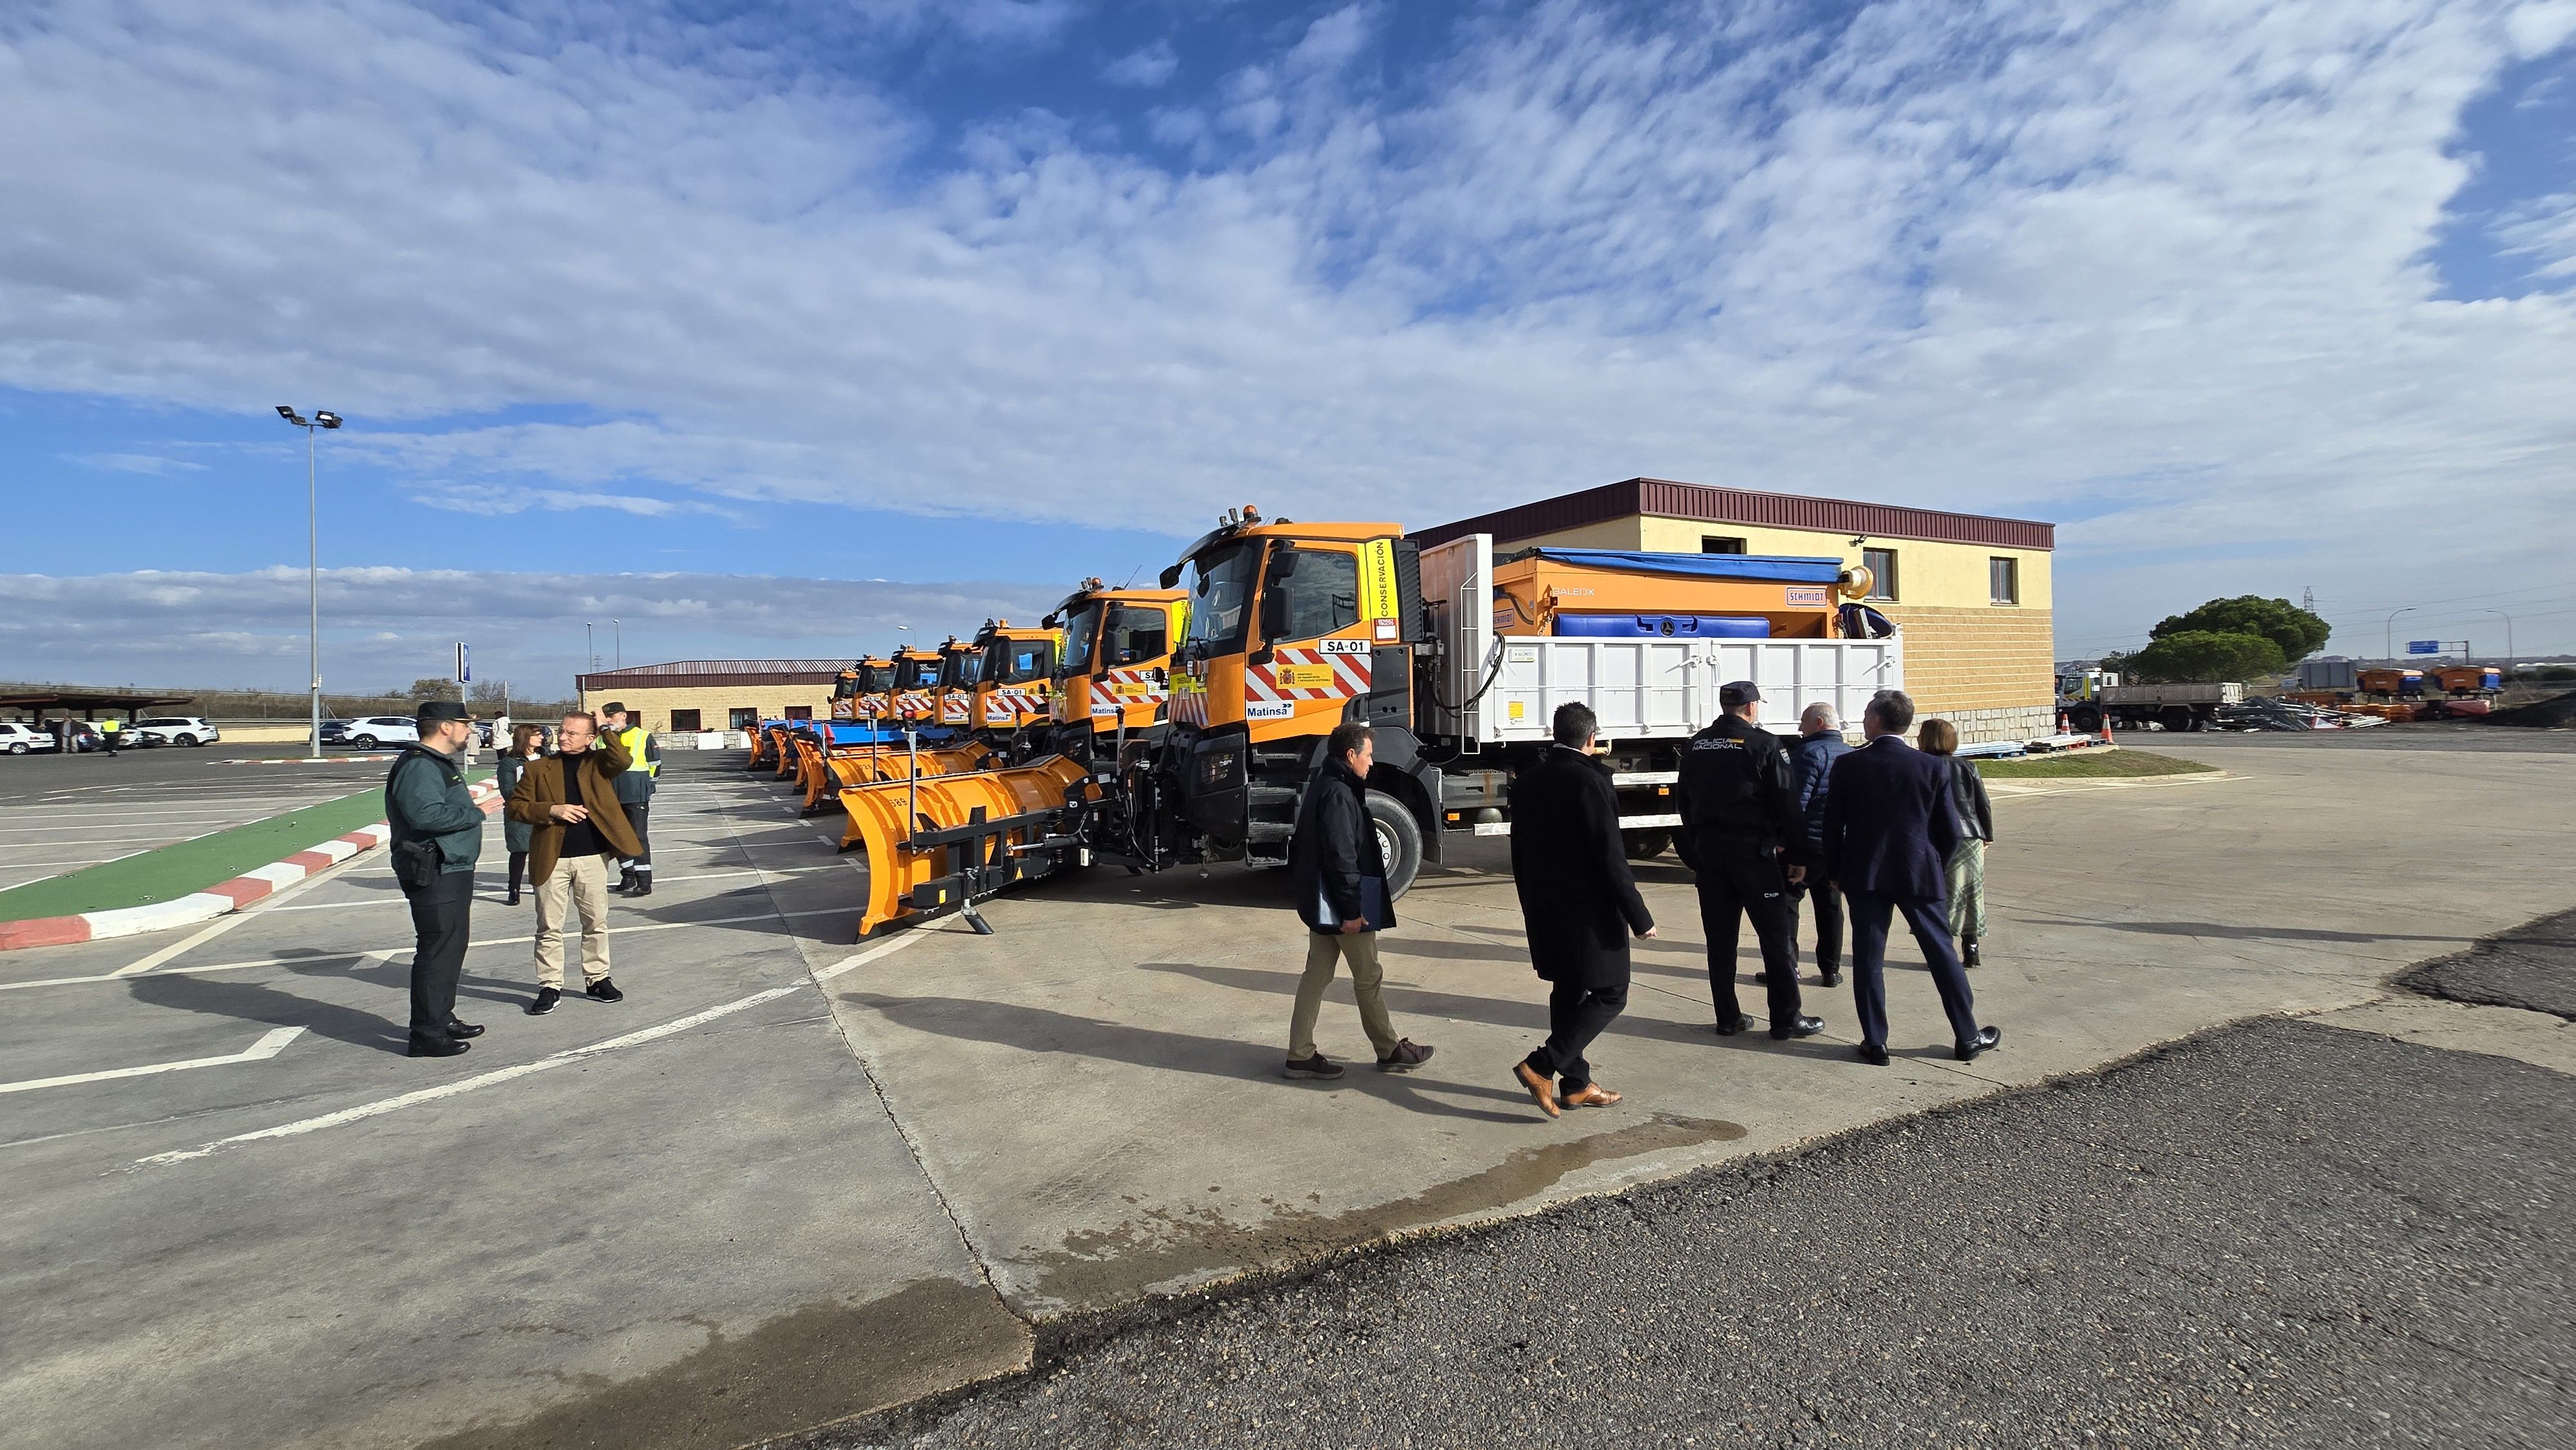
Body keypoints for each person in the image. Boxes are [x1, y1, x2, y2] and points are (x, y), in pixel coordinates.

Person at [1822, 690, 2002, 1066]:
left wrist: (1836, 872)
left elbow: (1832, 826)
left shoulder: (1850, 765)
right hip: (1919, 872)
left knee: (1869, 958)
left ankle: (1876, 1041)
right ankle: (1967, 1036)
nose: (1864, 718)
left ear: (1876, 721)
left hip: (1865, 874)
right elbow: (1949, 831)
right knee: (1941, 953)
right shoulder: (1932, 767)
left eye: (1867, 712)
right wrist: (1934, 863)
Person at [1508, 702, 1656, 1118]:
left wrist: (1530, 905)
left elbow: (1519, 854)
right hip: (1589, 914)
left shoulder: (1528, 781)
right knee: (1612, 992)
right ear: (1592, 738)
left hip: (1544, 907)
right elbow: (1611, 857)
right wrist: (1639, 917)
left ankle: (1576, 1085)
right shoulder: (1589, 782)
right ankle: (1541, 1065)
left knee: (1569, 991)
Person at [1282, 722, 1434, 1080]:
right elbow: (1341, 857)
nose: (1372, 762)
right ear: (1351, 755)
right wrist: (1351, 912)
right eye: (1368, 754)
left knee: (1315, 978)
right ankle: (1389, 1050)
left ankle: (1299, 1054)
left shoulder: (1327, 785)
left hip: (1323, 906)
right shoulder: (1339, 793)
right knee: (1369, 978)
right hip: (1341, 908)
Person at [1674, 681, 1824, 1042]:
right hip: (1753, 855)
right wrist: (1797, 855)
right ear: (1752, 707)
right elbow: (1786, 804)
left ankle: (1728, 1017)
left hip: (1711, 855)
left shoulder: (1697, 744)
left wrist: (1699, 846)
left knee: (1720, 941)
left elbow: (1683, 801)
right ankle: (1786, 1018)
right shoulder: (1765, 744)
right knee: (1775, 938)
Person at [504, 711, 639, 1015]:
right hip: (551, 858)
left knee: (595, 922)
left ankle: (597, 980)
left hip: (592, 857)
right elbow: (515, 807)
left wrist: (606, 728)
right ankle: (550, 986)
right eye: (561, 732)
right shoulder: (538, 768)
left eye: (572, 733)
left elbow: (622, 759)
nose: (562, 737)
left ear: (590, 739)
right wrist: (552, 809)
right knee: (549, 926)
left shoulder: (599, 763)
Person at [384, 700, 487, 1058]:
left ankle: (441, 1017)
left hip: (451, 867)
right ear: (445, 727)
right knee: (437, 949)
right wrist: (473, 813)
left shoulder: (436, 764)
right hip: (434, 868)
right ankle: (426, 1034)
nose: (470, 730)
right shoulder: (419, 766)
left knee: (451, 946)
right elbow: (424, 814)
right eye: (465, 723)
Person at [1916, 719, 1996, 967]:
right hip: (1970, 837)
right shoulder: (1967, 767)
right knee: (1971, 894)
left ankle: (1941, 951)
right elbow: (1982, 803)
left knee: (1940, 894)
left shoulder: (1922, 766)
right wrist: (1987, 834)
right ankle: (1971, 948)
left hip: (1935, 839)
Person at [1788, 702, 1852, 987]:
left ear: (1818, 722)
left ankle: (1789, 967)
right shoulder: (1852, 755)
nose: (1800, 729)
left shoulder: (1808, 754)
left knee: (1789, 905)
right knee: (1830, 908)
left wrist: (1786, 844)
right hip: (1837, 847)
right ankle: (1831, 970)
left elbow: (1796, 806)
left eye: (1803, 723)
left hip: (1809, 846)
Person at [600, 702, 661, 897]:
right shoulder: (603, 739)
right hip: (611, 795)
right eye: (606, 717)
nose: (609, 720)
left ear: (624, 716)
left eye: (613, 716)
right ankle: (628, 876)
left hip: (636, 795)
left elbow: (655, 765)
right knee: (617, 837)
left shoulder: (642, 736)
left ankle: (644, 881)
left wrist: (649, 787)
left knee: (638, 837)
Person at [497, 722, 548, 906]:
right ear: (525, 737)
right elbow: (507, 790)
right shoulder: (509, 762)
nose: (542, 738)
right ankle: (514, 889)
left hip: (544, 810)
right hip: (520, 813)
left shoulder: (546, 757)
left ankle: (540, 885)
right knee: (519, 851)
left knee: (541, 851)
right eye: (537, 735)